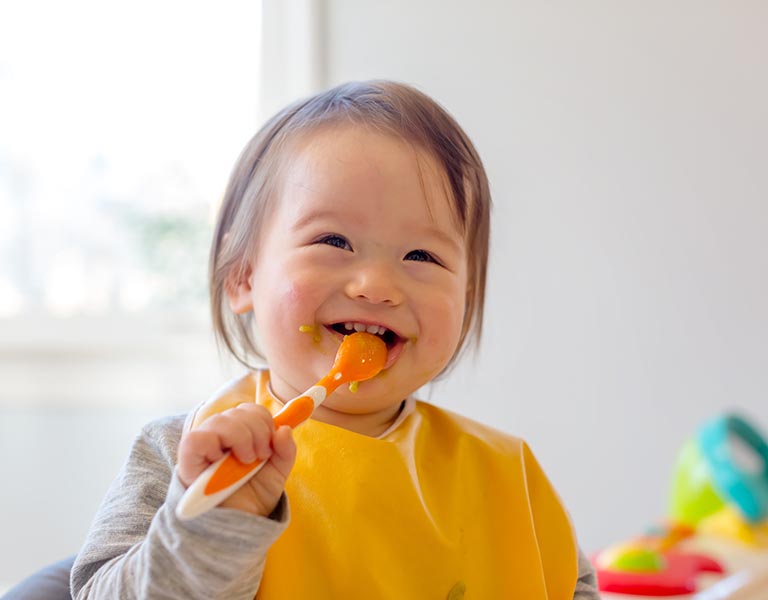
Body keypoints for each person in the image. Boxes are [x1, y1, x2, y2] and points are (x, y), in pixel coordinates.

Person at [70, 80, 600, 599]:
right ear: (243, 277)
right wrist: (210, 525)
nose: (375, 286)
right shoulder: (184, 453)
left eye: (422, 256)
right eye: (333, 241)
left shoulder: (511, 479)